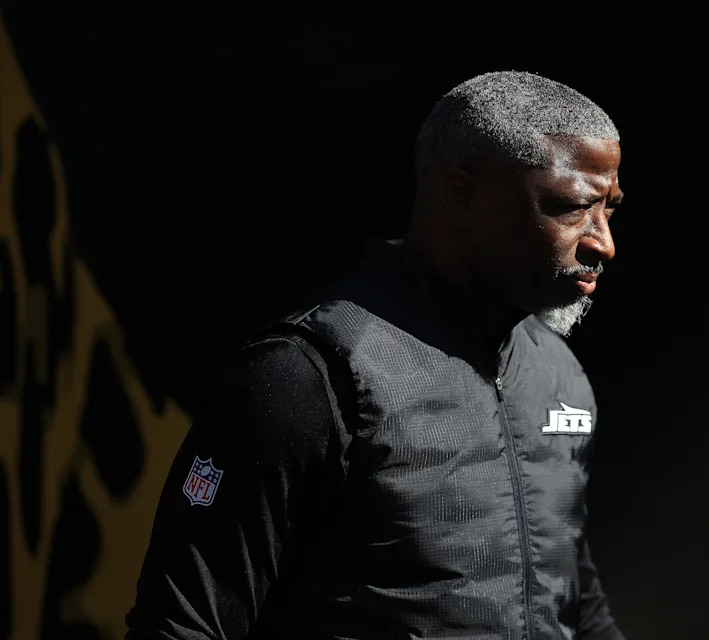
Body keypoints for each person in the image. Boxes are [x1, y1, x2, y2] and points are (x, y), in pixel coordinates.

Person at [125, 70, 626, 639]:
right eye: (573, 207)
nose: (603, 241)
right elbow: (182, 625)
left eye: (609, 208)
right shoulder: (308, 376)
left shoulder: (559, 376)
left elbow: (577, 605)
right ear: (462, 196)